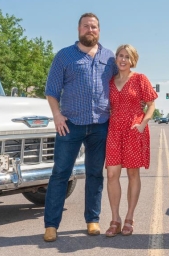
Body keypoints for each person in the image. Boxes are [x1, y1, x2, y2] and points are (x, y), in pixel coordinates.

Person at [43, 12, 118, 242]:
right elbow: (51, 91)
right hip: (71, 125)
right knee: (60, 174)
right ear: (78, 30)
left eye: (94, 27)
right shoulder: (65, 56)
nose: (90, 30)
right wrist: (57, 115)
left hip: (100, 126)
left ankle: (92, 220)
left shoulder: (110, 57)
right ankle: (51, 225)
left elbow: (118, 87)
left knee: (95, 174)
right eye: (86, 26)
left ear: (99, 30)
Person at [105, 44, 157, 237]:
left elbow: (151, 105)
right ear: (116, 58)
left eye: (127, 56)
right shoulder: (110, 81)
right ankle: (114, 218)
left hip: (134, 128)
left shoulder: (140, 79)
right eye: (120, 55)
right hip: (114, 128)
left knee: (133, 174)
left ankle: (129, 217)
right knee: (112, 174)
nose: (123, 59)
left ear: (132, 59)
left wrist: (143, 124)